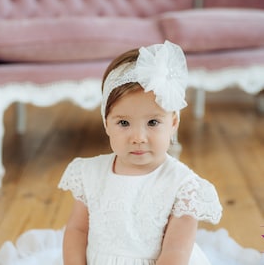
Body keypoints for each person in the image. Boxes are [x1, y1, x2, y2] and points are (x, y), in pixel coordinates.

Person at [58, 40, 223, 265]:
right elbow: (77, 230)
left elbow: (176, 252)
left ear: (173, 123)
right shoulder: (90, 174)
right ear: (106, 123)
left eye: (153, 122)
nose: (138, 137)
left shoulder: (183, 187)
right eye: (124, 123)